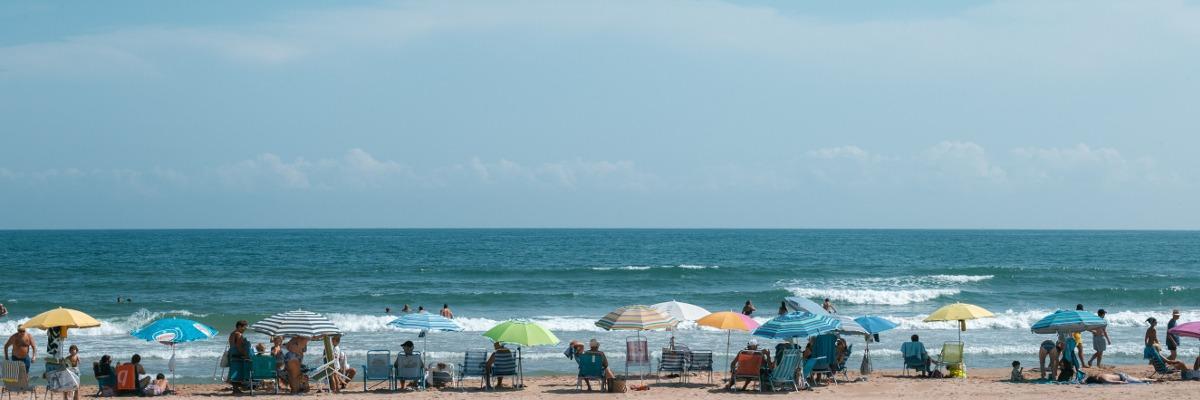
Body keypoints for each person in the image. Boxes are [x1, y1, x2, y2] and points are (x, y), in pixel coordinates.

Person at [227, 320, 251, 393]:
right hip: (237, 355)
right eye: (244, 327)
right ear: (240, 326)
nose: (245, 329)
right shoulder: (238, 334)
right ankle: (238, 388)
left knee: (234, 371)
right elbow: (239, 347)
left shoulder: (232, 333)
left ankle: (236, 388)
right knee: (239, 370)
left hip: (232, 354)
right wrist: (245, 355)